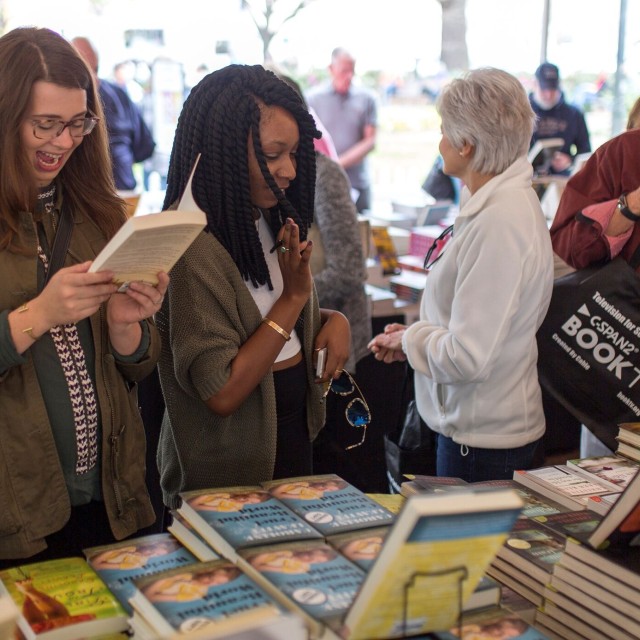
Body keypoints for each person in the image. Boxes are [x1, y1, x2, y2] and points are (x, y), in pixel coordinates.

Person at [0, 27, 168, 565]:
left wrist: (127, 329)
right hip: (18, 512)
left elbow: (135, 369)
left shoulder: (96, 209)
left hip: (111, 498)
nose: (64, 142)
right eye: (45, 125)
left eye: (77, 124)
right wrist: (40, 314)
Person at [156, 65, 351, 512]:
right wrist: (295, 298)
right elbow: (221, 389)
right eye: (273, 153)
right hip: (224, 487)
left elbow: (254, 320)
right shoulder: (192, 249)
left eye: (296, 153)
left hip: (290, 451)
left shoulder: (266, 219)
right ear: (223, 150)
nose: (289, 170)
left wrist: (329, 319)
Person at [368, 68, 554, 482]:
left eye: (443, 131)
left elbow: (468, 356)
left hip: (484, 443)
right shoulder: (491, 206)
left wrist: (415, 338)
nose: (439, 143)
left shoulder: (499, 222)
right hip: (479, 430)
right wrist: (414, 339)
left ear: (467, 144)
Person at [549, 127, 640, 457]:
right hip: (619, 355)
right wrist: (629, 206)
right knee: (611, 494)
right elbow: (568, 242)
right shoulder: (626, 153)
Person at [71, 37, 155, 191]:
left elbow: (145, 146)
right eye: (84, 71)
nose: (92, 79)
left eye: (95, 69)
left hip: (123, 195)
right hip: (80, 199)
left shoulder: (118, 95)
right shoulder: (62, 103)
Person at [306, 48, 378, 212]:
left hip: (358, 183)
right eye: (344, 71)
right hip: (323, 183)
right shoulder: (313, 99)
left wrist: (338, 164)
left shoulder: (367, 98)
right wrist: (331, 167)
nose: (349, 76)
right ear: (331, 69)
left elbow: (370, 141)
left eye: (352, 71)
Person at [529, 62, 591, 175]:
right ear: (534, 84)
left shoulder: (574, 114)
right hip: (527, 178)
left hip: (562, 178)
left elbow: (586, 151)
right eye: (543, 89)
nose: (548, 95)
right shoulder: (521, 114)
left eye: (552, 89)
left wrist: (570, 160)